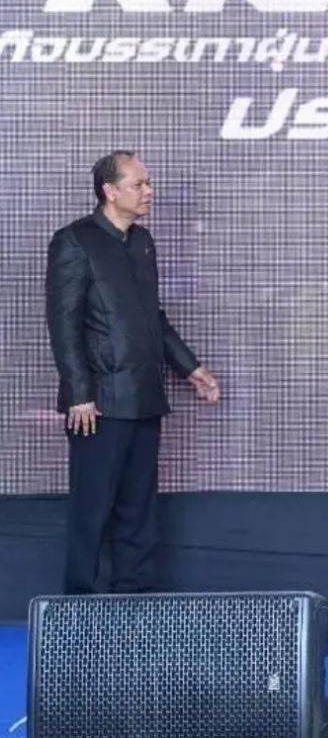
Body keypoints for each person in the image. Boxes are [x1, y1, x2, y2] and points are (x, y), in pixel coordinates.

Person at [46, 151, 221, 595]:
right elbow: (64, 325)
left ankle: (133, 600)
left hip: (144, 395)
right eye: (139, 184)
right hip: (98, 405)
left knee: (138, 510)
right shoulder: (75, 242)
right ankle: (80, 606)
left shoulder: (142, 242)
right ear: (110, 191)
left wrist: (190, 366)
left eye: (148, 183)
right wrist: (79, 393)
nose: (149, 191)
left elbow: (153, 318)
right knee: (92, 511)